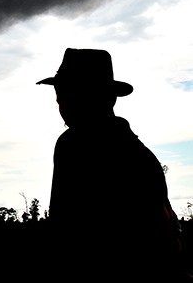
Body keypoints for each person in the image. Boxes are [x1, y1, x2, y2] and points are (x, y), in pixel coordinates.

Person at [37, 48, 187, 282]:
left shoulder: (74, 144)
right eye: (60, 97)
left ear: (103, 97)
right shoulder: (139, 153)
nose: (62, 106)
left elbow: (64, 233)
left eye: (69, 96)